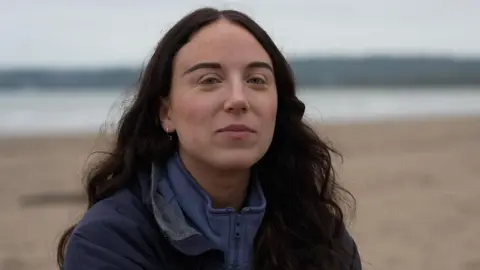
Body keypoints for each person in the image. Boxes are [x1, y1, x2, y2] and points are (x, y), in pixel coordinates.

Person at [57, 7, 362, 270]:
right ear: (166, 113)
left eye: (257, 80)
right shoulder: (110, 240)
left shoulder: (317, 231)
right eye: (209, 80)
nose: (238, 99)